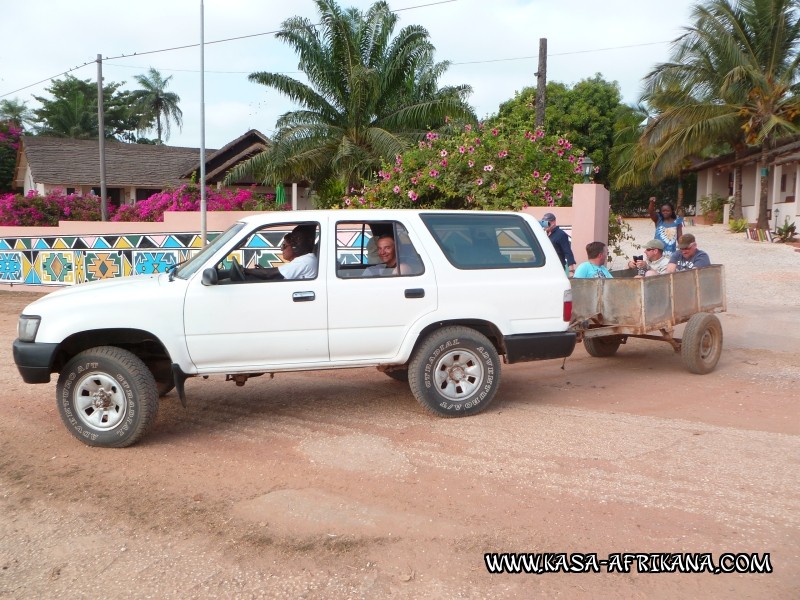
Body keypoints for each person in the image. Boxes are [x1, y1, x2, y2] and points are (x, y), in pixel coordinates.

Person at [243, 224, 318, 280]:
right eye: (293, 240)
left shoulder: (305, 260)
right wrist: (262, 271)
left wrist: (245, 270)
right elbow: (277, 275)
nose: (294, 243)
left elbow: (268, 275)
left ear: (309, 241)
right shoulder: (305, 260)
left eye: (298, 239)